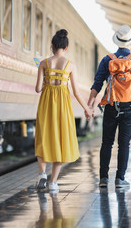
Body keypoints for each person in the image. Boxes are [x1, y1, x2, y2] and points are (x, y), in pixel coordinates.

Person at [87, 25, 131, 188]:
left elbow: (97, 83)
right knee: (124, 144)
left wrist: (90, 104)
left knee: (106, 143)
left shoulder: (108, 60)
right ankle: (120, 179)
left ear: (117, 41)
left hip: (111, 106)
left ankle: (103, 179)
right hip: (130, 108)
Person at [34, 29, 93, 192]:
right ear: (66, 48)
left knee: (43, 138)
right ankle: (53, 182)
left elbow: (38, 89)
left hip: (46, 103)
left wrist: (46, 79)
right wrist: (87, 108)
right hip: (62, 106)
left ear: (52, 46)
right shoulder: (70, 65)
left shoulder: (44, 63)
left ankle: (42, 174)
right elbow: (76, 92)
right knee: (60, 139)